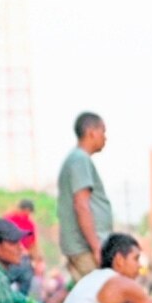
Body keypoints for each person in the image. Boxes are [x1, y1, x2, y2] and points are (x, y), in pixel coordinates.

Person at [57, 112, 113, 282]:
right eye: (103, 131)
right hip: (85, 248)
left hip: (81, 246)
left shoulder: (76, 159)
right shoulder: (79, 159)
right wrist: (96, 248)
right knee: (99, 299)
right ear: (91, 132)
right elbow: (81, 205)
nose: (105, 137)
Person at [5, 199, 42, 296]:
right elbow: (33, 245)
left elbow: (32, 244)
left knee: (8, 286)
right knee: (22, 289)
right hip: (15, 258)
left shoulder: (8, 219)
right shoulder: (11, 220)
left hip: (16, 258)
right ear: (26, 210)